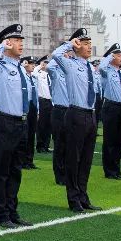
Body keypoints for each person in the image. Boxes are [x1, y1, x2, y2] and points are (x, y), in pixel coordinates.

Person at [0, 24, 32, 228]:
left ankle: (12, 210)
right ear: (8, 42)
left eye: (21, 40)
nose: (20, 44)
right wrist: (2, 46)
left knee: (15, 170)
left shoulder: (22, 69)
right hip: (5, 122)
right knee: (1, 171)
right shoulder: (0, 66)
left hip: (22, 122)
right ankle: (1, 214)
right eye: (16, 40)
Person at [51, 28, 100, 213]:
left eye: (90, 44)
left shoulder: (90, 67)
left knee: (86, 159)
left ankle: (83, 196)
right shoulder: (70, 64)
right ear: (77, 46)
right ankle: (73, 199)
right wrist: (69, 44)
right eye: (85, 44)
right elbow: (56, 55)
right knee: (74, 158)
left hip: (90, 114)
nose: (89, 47)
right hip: (76, 114)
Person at [98, 44, 121, 180]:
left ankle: (117, 170)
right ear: (111, 57)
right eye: (118, 55)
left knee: (119, 141)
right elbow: (101, 67)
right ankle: (109, 171)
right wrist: (109, 56)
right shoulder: (107, 71)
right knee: (110, 140)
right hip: (111, 107)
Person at [47, 54, 69, 186]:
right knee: (60, 145)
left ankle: (68, 173)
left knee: (70, 145)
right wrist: (61, 54)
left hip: (72, 111)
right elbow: (49, 66)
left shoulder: (71, 72)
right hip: (59, 110)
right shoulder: (56, 72)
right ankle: (60, 175)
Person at [33, 56, 52, 155]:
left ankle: (46, 146)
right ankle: (40, 146)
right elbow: (33, 73)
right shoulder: (38, 74)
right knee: (41, 125)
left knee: (49, 125)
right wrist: (39, 66)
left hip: (50, 102)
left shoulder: (49, 74)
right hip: (42, 101)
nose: (47, 64)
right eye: (45, 62)